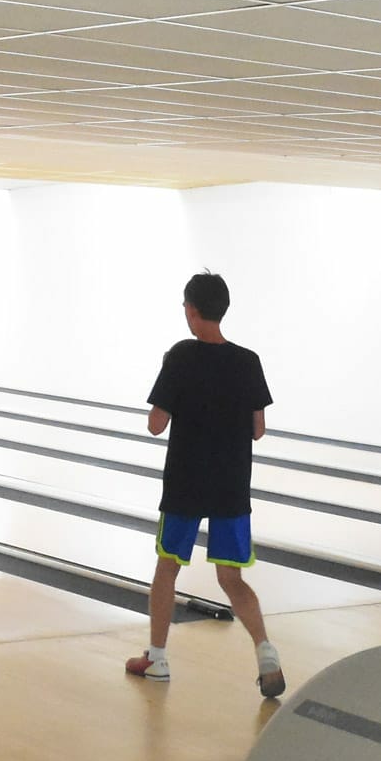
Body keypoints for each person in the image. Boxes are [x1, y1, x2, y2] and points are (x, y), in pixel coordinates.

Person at [125, 272, 284, 698]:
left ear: (192, 310)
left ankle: (156, 659)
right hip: (231, 487)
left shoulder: (180, 356)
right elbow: (258, 430)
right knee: (231, 578)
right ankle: (266, 653)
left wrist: (170, 378)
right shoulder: (248, 361)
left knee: (167, 568)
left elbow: (156, 425)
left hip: (185, 485)